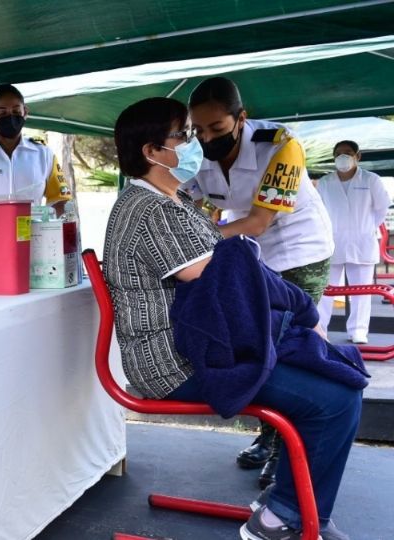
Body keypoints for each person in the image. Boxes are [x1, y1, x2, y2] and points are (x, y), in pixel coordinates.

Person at [104, 96, 359, 540]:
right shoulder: (149, 211)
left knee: (335, 379)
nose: (194, 143)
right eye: (183, 136)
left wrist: (294, 312)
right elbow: (225, 278)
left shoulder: (171, 201)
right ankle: (285, 515)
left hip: (203, 341)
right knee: (335, 400)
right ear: (151, 152)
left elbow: (234, 269)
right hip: (176, 361)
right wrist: (299, 310)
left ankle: (293, 507)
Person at [186, 77, 335, 488]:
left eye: (216, 128)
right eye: (199, 130)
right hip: (249, 252)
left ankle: (290, 450)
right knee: (255, 343)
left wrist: (198, 242)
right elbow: (187, 203)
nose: (206, 138)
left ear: (241, 118)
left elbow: (258, 221)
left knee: (289, 346)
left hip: (300, 249)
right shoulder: (194, 153)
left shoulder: (280, 144)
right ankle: (270, 437)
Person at [0, 84, 72, 240]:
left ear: (25, 113)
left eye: (16, 111)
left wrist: (56, 244)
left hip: (34, 244)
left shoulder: (43, 154)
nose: (10, 117)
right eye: (2, 112)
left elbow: (59, 202)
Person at [316, 140, 391, 343]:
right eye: (338, 153)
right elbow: (319, 212)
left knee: (362, 289)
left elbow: (381, 209)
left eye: (348, 153)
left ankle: (358, 331)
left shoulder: (371, 179)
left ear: (358, 156)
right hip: (331, 243)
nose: (343, 157)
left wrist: (366, 228)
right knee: (325, 290)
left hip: (362, 240)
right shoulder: (325, 182)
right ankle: (320, 329)